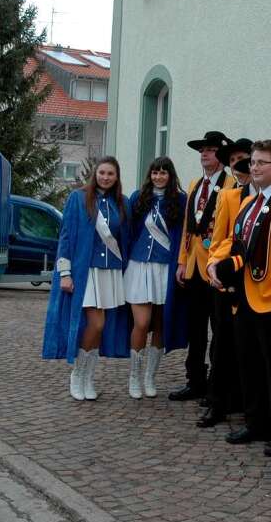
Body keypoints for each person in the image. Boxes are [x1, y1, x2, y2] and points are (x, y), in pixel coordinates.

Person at [208, 140, 271, 451]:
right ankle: (255, 422)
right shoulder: (250, 202)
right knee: (248, 365)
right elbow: (235, 242)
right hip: (244, 295)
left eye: (262, 162)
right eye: (253, 162)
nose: (255, 167)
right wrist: (214, 262)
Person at [42, 157, 132, 401]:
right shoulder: (77, 198)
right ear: (95, 174)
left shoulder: (122, 202)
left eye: (110, 174)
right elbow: (66, 237)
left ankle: (88, 377)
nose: (105, 177)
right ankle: (77, 374)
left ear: (116, 177)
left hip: (110, 272)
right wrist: (65, 273)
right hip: (86, 272)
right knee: (97, 324)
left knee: (101, 326)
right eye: (102, 172)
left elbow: (125, 239)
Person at [172, 131, 235, 402]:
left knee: (219, 327)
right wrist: (181, 261)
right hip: (194, 266)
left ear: (220, 155)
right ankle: (194, 379)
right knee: (195, 326)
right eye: (202, 151)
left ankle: (215, 383)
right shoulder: (196, 183)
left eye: (209, 150)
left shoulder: (231, 184)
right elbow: (188, 225)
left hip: (215, 266)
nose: (204, 154)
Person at [196, 137, 253, 428]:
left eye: (245, 160)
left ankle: (244, 402)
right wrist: (213, 264)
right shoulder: (229, 196)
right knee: (221, 343)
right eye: (234, 162)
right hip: (226, 280)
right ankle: (217, 403)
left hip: (255, 283)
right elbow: (219, 239)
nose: (240, 167)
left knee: (248, 348)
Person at [125, 157, 189, 399]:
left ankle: (150, 378)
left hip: (165, 268)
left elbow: (184, 236)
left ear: (170, 176)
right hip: (140, 266)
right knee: (141, 323)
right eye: (155, 172)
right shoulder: (137, 198)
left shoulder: (180, 200)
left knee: (161, 325)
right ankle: (134, 376)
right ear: (149, 175)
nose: (159, 177)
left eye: (163, 173)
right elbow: (129, 232)